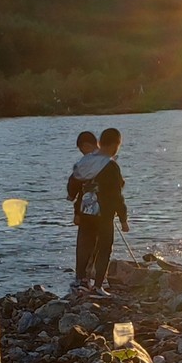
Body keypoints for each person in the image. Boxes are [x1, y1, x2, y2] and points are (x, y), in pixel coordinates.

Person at [68, 126, 129, 294]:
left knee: (84, 246)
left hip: (86, 211)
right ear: (115, 145)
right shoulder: (110, 166)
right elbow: (116, 195)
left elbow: (74, 183)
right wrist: (123, 218)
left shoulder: (86, 161)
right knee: (104, 248)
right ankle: (97, 286)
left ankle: (81, 281)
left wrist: (74, 206)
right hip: (104, 214)